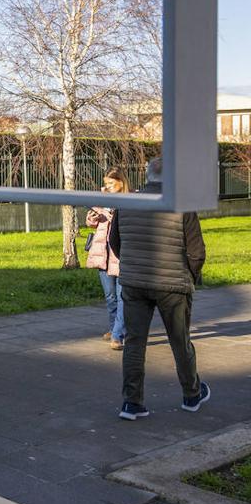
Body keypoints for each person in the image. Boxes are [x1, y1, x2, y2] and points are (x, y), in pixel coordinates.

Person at [109, 158, 209, 421]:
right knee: (179, 341)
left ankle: (131, 403)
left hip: (133, 283)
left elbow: (114, 242)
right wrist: (189, 275)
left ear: (146, 175)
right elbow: (197, 251)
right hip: (173, 285)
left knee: (134, 342)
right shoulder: (181, 204)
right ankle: (191, 394)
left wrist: (132, 265)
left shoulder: (128, 202)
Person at [85, 168, 127, 351]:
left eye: (111, 183)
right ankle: (114, 328)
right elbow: (91, 223)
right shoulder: (101, 200)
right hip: (103, 254)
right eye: (106, 183)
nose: (107, 187)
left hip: (121, 255)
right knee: (110, 296)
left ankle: (118, 335)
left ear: (121, 182)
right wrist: (94, 216)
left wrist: (114, 217)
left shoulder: (129, 201)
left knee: (122, 297)